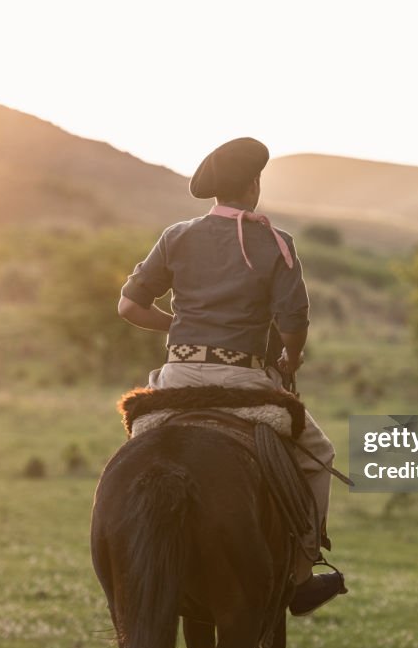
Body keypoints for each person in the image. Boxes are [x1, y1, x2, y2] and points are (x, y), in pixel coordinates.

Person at [117, 137, 346, 616]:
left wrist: (175, 325)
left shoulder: (175, 235)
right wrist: (290, 360)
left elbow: (129, 306)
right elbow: (292, 325)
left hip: (176, 377)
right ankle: (302, 574)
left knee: (137, 447)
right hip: (242, 379)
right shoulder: (275, 243)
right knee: (319, 453)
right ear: (253, 183)